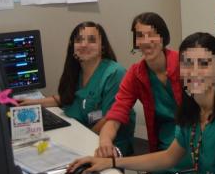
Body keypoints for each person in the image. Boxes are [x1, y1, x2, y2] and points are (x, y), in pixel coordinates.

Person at [69, 32, 215, 174]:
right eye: (187, 64)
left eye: (203, 63)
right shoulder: (194, 109)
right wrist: (111, 162)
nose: (194, 72)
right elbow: (169, 156)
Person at [96, 12, 190, 174]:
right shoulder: (135, 74)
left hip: (195, 136)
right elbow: (117, 112)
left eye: (152, 34)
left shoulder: (184, 63)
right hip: (165, 143)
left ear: (163, 37)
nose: (146, 41)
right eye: (140, 36)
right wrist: (105, 140)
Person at [19, 21, 135, 156]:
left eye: (91, 40)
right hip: (82, 136)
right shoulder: (76, 71)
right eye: (79, 40)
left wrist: (78, 141)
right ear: (72, 46)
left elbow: (109, 119)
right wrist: (31, 103)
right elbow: (68, 98)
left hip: (106, 147)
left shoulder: (115, 73)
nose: (84, 44)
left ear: (102, 47)